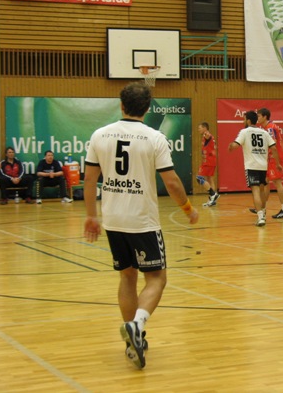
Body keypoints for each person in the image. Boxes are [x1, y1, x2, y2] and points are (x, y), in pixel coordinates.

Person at [83, 82, 199, 370]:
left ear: (121, 105)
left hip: (112, 219)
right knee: (157, 278)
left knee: (127, 277)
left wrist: (91, 216)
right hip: (142, 220)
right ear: (147, 108)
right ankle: (137, 324)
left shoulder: (100, 135)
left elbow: (89, 180)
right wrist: (188, 208)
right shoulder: (154, 137)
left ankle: (133, 341)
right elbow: (172, 182)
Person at [228, 110, 282, 227]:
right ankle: (263, 212)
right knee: (262, 191)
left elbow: (235, 145)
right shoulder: (264, 132)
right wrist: (278, 164)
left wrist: (230, 146)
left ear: (248, 120)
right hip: (263, 166)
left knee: (256, 191)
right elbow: (274, 148)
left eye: (244, 119)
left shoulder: (244, 132)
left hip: (251, 166)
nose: (243, 121)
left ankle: (260, 217)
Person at [255, 107, 283, 219]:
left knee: (277, 182)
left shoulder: (270, 128)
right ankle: (262, 208)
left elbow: (272, 144)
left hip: (275, 158)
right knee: (265, 182)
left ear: (265, 117)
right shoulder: (266, 127)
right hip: (271, 158)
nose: (257, 118)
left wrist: (277, 162)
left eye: (259, 116)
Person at [196, 122, 220, 207]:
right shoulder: (207, 136)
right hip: (211, 161)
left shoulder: (207, 135)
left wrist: (207, 134)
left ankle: (213, 194)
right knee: (210, 179)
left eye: (200, 128)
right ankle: (212, 200)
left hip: (208, 161)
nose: (198, 130)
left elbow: (208, 136)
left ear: (205, 128)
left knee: (199, 178)